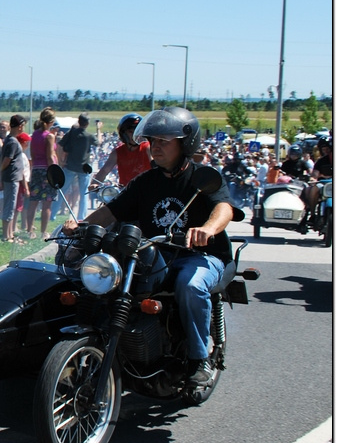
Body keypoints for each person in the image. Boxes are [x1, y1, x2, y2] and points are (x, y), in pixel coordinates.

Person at [62, 107, 237, 386]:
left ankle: (199, 357)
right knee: (111, 279)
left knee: (190, 285)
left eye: (164, 141)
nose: (156, 147)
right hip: (157, 253)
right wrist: (80, 225)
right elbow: (111, 212)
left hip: (202, 256)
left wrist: (208, 229)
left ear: (185, 143)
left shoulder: (202, 177)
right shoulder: (145, 182)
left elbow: (224, 208)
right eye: (153, 141)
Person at [92, 113, 152, 188]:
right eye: (131, 132)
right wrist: (94, 183)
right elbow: (104, 170)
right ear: (123, 133)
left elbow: (156, 166)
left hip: (147, 189)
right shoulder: (118, 152)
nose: (135, 135)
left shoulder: (147, 148)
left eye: (137, 132)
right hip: (125, 192)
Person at [25, 107, 59, 239]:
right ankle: (43, 231)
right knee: (47, 202)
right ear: (51, 121)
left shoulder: (35, 135)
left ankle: (29, 230)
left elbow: (33, 154)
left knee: (33, 202)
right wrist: (54, 172)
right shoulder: (49, 136)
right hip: (47, 170)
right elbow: (50, 155)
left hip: (37, 169)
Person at [58, 113, 97, 220]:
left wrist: (61, 160)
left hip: (70, 166)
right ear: (88, 123)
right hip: (83, 168)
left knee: (61, 190)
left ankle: (53, 213)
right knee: (83, 194)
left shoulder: (72, 133)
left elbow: (61, 145)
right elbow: (99, 142)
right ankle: (81, 216)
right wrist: (99, 129)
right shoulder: (88, 136)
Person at [0, 114, 27, 243]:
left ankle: (10, 233)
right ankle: (6, 235)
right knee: (9, 206)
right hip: (11, 177)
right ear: (20, 126)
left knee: (12, 205)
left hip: (13, 177)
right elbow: (6, 160)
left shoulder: (11, 140)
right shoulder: (12, 141)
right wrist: (1, 172)